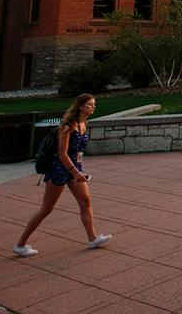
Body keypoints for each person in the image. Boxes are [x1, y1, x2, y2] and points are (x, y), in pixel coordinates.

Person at [13, 94, 111, 257]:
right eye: (90, 105)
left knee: (85, 202)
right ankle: (20, 244)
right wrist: (75, 172)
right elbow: (62, 153)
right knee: (47, 208)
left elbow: (76, 152)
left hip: (75, 168)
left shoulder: (83, 124)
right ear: (80, 106)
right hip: (59, 169)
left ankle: (92, 238)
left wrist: (78, 170)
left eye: (94, 105)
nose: (93, 107)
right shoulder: (68, 127)